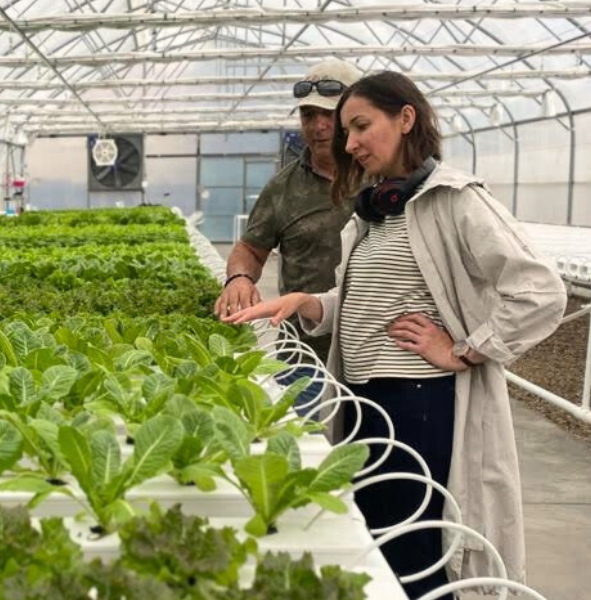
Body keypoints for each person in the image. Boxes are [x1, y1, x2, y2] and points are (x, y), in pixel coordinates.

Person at [223, 71, 566, 599]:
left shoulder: (454, 200)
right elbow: (369, 302)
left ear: (406, 119)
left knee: (415, 554)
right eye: (346, 133)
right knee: (376, 545)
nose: (351, 143)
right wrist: (307, 303)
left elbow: (540, 291)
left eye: (361, 127)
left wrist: (464, 350)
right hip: (365, 400)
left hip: (416, 404)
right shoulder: (378, 212)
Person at [213, 59, 362, 414]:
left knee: (372, 457)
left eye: (329, 114)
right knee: (304, 454)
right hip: (305, 354)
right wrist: (238, 276)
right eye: (309, 115)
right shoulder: (284, 188)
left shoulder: (387, 177)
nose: (319, 126)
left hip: (375, 355)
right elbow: (251, 246)